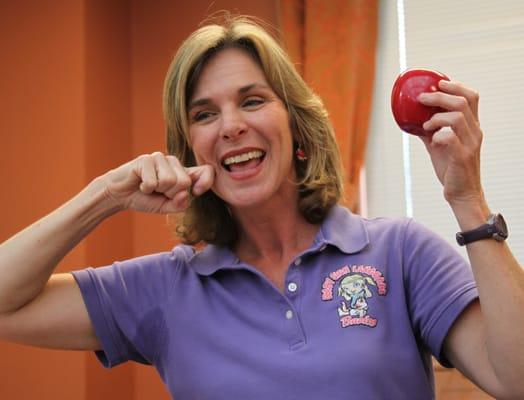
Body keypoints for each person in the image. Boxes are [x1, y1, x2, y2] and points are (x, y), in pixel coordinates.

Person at [0, 15, 523, 400]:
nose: (230, 126)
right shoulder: (166, 289)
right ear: (192, 152)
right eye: (205, 114)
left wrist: (467, 198)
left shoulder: (399, 251)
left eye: (252, 101)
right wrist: (106, 195)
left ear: (295, 125)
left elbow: (514, 377)